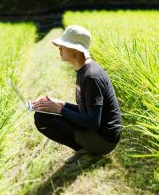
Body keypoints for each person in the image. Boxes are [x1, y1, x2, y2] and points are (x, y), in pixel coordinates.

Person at [33, 25, 122, 170]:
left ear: (75, 49)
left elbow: (93, 122)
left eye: (63, 45)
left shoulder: (91, 76)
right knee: (42, 115)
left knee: (43, 120)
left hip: (104, 139)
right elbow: (86, 110)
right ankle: (85, 150)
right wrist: (61, 104)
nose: (59, 48)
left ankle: (91, 153)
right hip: (99, 132)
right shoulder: (83, 71)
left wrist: (60, 110)